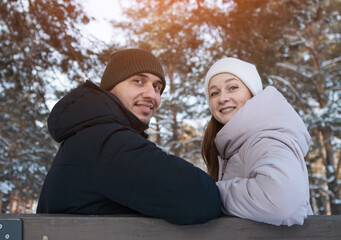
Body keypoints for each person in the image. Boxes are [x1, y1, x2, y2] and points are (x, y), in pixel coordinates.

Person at [37, 48, 221, 225]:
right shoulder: (107, 141)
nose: (152, 95)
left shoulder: (90, 134)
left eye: (157, 87)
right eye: (139, 81)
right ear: (111, 87)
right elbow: (201, 199)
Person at [201, 57, 313, 226]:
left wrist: (210, 193)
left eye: (232, 87)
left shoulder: (266, 138)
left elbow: (282, 201)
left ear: (252, 92)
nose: (222, 98)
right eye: (214, 93)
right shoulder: (232, 146)